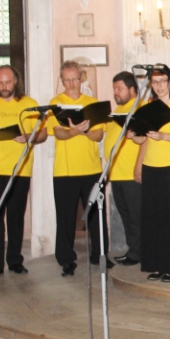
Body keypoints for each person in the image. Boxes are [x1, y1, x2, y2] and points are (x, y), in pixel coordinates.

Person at [0, 65, 45, 277]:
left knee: (15, 217)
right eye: (0, 82)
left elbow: (43, 134)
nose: (4, 86)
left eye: (8, 82)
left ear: (16, 81)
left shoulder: (29, 105)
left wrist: (28, 137)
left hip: (19, 169)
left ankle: (15, 261)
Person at [131, 65, 170, 282]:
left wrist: (163, 136)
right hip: (152, 166)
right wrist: (133, 136)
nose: (159, 86)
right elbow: (143, 139)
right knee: (154, 218)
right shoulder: (147, 106)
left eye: (163, 81)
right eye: (155, 81)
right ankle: (157, 264)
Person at [47, 60, 107, 277]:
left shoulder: (92, 103)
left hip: (91, 168)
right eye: (67, 80)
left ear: (81, 78)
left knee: (96, 215)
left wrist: (84, 131)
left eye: (74, 79)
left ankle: (100, 254)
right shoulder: (55, 103)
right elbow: (58, 133)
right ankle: (66, 259)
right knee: (65, 217)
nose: (71, 84)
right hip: (65, 170)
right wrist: (74, 131)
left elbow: (98, 135)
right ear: (62, 80)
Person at [104, 71, 143, 267]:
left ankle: (138, 253)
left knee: (136, 216)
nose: (115, 92)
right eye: (114, 88)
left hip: (131, 172)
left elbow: (145, 141)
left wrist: (139, 166)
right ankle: (133, 249)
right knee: (126, 214)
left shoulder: (139, 108)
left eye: (119, 88)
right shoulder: (116, 112)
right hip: (116, 173)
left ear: (132, 89)